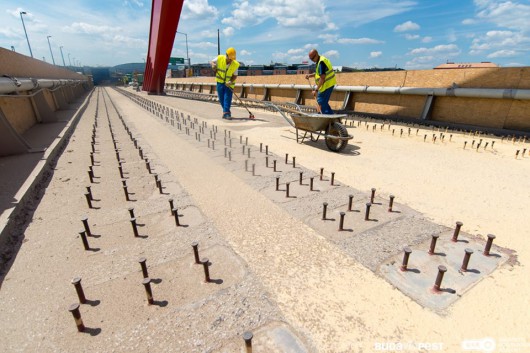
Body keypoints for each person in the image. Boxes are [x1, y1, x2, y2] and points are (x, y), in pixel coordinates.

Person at [305, 49, 337, 114]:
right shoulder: (319, 61)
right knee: (323, 103)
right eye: (310, 59)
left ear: (316, 55)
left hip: (327, 85)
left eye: (312, 58)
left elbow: (322, 78)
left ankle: (324, 118)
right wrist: (310, 75)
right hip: (325, 86)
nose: (312, 60)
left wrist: (316, 90)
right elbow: (318, 74)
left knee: (320, 102)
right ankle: (332, 118)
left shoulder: (321, 62)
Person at [211, 47, 239, 120]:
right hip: (220, 82)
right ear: (226, 55)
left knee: (227, 98)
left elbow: (235, 76)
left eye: (232, 59)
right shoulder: (220, 58)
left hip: (229, 84)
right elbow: (212, 62)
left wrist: (230, 81)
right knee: (221, 98)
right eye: (229, 59)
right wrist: (213, 65)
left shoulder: (235, 64)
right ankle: (226, 112)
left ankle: (226, 113)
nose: (230, 61)